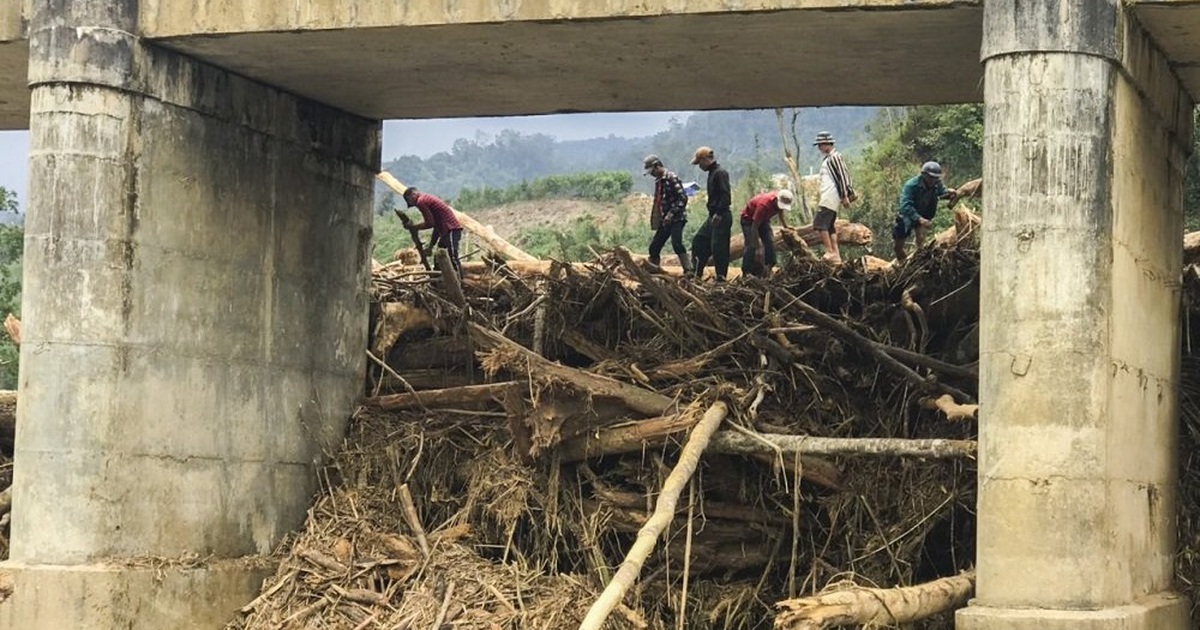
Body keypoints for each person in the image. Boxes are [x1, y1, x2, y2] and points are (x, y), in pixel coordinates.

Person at [892, 161, 958, 262]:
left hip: (925, 214)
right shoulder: (911, 185)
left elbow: (942, 192)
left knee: (921, 239)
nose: (933, 180)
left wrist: (949, 192)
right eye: (931, 177)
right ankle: (903, 265)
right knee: (898, 247)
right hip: (908, 216)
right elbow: (905, 206)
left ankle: (920, 260)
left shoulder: (936, 184)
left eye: (936, 178)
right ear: (924, 175)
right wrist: (919, 219)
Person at [689, 146, 732, 280]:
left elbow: (725, 195)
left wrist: (718, 213)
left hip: (721, 216)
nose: (700, 166)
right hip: (712, 216)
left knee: (719, 249)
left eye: (700, 163)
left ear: (705, 159)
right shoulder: (712, 173)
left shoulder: (720, 173)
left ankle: (721, 279)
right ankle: (696, 274)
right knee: (699, 241)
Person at [401, 185, 465, 276]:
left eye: (411, 202)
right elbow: (436, 227)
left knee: (453, 257)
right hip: (445, 231)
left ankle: (461, 282)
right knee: (439, 258)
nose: (415, 205)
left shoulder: (421, 201)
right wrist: (431, 246)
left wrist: (414, 227)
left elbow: (430, 223)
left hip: (451, 230)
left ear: (412, 195)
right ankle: (439, 283)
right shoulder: (426, 199)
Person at [644, 154, 692, 273]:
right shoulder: (659, 181)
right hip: (665, 220)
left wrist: (671, 214)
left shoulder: (671, 177)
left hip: (677, 218)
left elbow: (683, 198)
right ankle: (653, 273)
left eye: (652, 171)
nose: (652, 174)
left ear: (657, 166)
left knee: (677, 244)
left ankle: (689, 271)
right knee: (654, 247)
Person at [812, 131, 855, 263]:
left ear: (827, 144)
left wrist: (844, 195)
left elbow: (842, 176)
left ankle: (829, 251)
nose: (819, 147)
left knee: (820, 224)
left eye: (820, 144)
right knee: (829, 226)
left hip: (830, 196)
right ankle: (835, 253)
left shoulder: (835, 157)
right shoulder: (828, 159)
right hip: (828, 196)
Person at [739, 189, 793, 277]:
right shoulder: (764, 204)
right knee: (751, 245)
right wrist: (758, 248)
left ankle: (769, 267)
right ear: (776, 200)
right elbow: (754, 226)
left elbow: (780, 211)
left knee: (770, 241)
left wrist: (786, 226)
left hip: (764, 219)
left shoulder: (780, 200)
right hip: (749, 221)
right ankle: (746, 272)